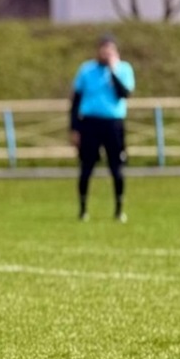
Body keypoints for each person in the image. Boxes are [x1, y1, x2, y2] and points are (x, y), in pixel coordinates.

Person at [71, 34, 134, 222]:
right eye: (103, 49)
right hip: (90, 123)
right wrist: (74, 128)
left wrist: (113, 72)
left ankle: (119, 210)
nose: (106, 53)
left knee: (116, 167)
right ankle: (83, 209)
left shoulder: (123, 69)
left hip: (113, 123)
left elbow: (124, 94)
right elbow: (75, 101)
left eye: (110, 50)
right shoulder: (86, 70)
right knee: (86, 167)